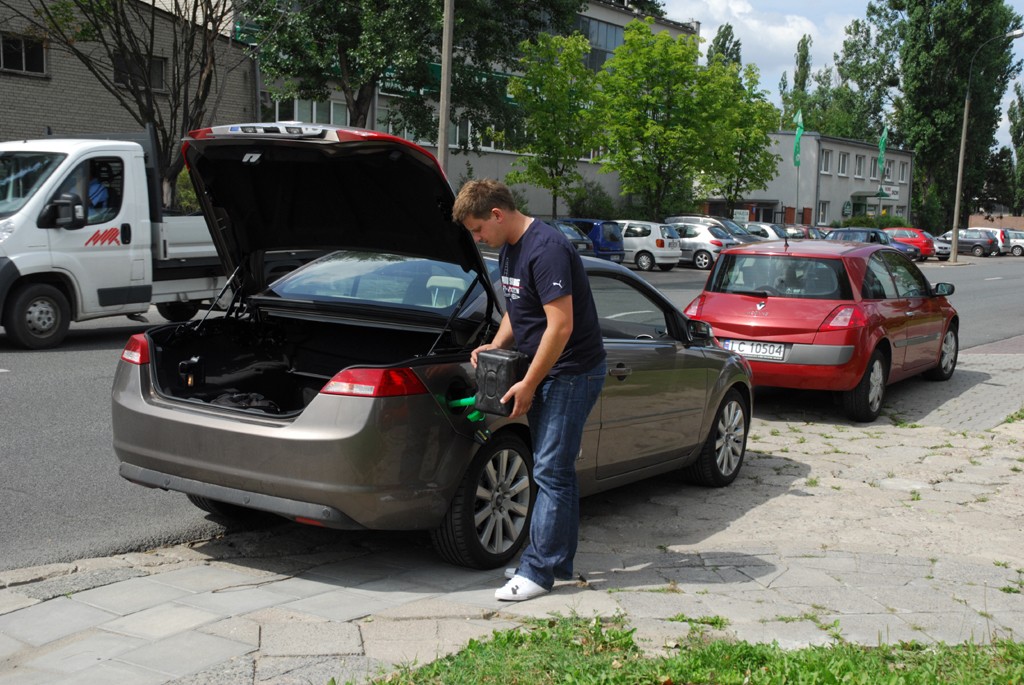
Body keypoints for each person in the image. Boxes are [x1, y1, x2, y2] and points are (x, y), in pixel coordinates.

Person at [452, 179, 606, 602]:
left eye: (478, 229)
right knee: (555, 470)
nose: (477, 238)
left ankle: (537, 572)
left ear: (497, 214)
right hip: (550, 370)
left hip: (573, 372)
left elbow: (561, 326)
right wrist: (497, 345)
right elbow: (518, 309)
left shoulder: (547, 249)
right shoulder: (508, 248)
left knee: (549, 470)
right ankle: (555, 561)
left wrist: (529, 383)